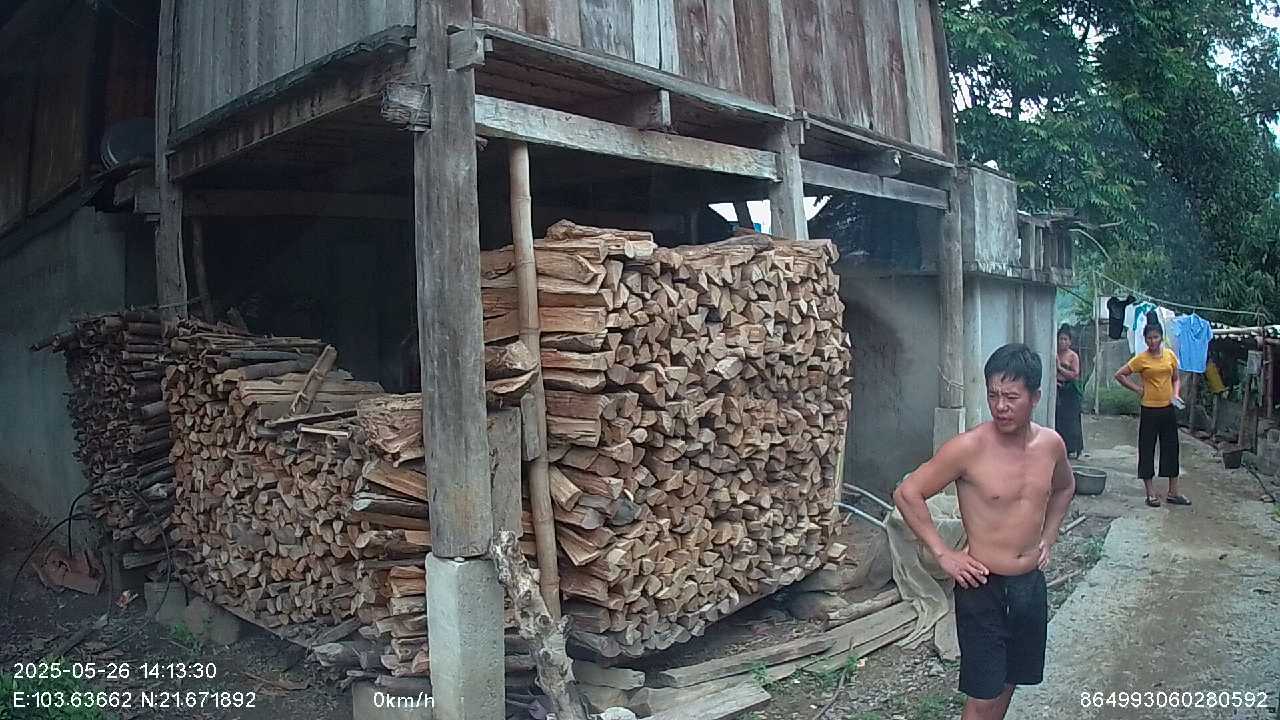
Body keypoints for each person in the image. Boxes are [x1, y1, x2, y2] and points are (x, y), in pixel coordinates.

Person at [893, 344, 1076, 720]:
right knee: (983, 695)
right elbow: (908, 493)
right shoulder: (969, 448)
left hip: (1029, 584)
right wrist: (944, 553)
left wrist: (1049, 536)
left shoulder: (1051, 445)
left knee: (1011, 680)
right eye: (993, 395)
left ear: (1035, 397)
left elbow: (1064, 487)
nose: (1001, 406)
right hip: (982, 585)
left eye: (1011, 397)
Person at [1114, 322, 1189, 507]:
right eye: (1149, 338)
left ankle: (1173, 492)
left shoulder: (1170, 355)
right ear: (1145, 340)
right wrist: (1138, 389)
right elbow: (1120, 374)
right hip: (1149, 409)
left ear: (1161, 337)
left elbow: (1176, 378)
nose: (1153, 341)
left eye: (1155, 337)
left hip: (1168, 408)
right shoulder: (1141, 359)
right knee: (1147, 449)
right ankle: (1150, 493)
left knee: (1171, 448)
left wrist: (1176, 393)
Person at [1055, 325, 1083, 459]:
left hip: (1070, 390)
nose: (1062, 342)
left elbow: (1075, 374)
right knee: (1059, 420)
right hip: (1058, 390)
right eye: (1061, 339)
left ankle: (1074, 448)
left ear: (1070, 342)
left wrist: (1060, 368)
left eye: (1065, 339)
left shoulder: (1073, 356)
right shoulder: (1054, 353)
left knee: (1072, 421)